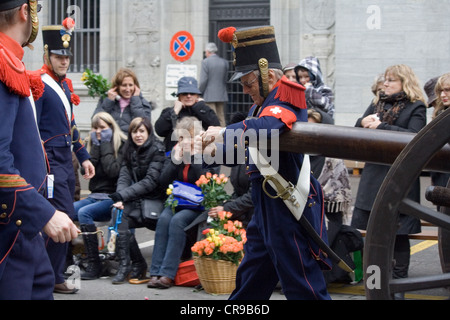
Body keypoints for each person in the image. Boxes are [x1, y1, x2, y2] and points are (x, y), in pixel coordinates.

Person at [201, 26, 331, 300]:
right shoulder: (258, 105)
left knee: (301, 280)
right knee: (252, 276)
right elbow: (250, 149)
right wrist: (211, 147)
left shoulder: (286, 95)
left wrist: (224, 131)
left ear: (268, 76)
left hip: (286, 202)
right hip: (265, 203)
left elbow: (269, 126)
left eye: (248, 83)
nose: (246, 90)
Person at [0, 0, 79, 300]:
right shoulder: (3, 63)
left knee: (42, 285)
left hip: (23, 223)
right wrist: (43, 213)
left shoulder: (12, 61)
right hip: (12, 224)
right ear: (25, 12)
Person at [30, 18, 95, 294]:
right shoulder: (39, 85)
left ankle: (50, 274)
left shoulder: (65, 86)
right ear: (47, 55)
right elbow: (30, 126)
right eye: (58, 56)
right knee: (58, 216)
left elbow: (70, 127)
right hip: (48, 162)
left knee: (65, 216)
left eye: (66, 57)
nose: (64, 61)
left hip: (65, 162)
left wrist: (84, 156)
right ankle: (49, 276)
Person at [351, 64, 427, 297]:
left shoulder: (417, 107)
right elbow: (359, 127)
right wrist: (362, 123)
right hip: (374, 175)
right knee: (372, 232)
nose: (385, 84)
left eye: (391, 80)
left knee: (399, 232)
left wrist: (381, 126)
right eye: (385, 80)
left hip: (400, 177)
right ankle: (375, 281)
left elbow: (416, 138)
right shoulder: (377, 103)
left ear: (405, 82)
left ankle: (400, 282)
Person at [148, 116, 217, 289]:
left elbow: (206, 181)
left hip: (199, 204)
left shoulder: (209, 153)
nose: (185, 142)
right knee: (164, 219)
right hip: (177, 200)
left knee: (177, 222)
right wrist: (175, 160)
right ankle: (155, 272)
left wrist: (193, 158)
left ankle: (167, 274)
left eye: (189, 137)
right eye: (181, 138)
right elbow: (163, 181)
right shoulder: (176, 153)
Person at [109, 117, 166, 284]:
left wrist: (123, 195)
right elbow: (124, 177)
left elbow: (150, 181)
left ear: (148, 132)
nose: (138, 135)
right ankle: (130, 264)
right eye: (134, 131)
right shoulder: (130, 149)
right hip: (140, 200)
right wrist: (120, 197)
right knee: (118, 214)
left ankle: (139, 265)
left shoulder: (158, 149)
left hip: (158, 201)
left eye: (142, 131)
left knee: (121, 214)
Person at [74, 112, 127, 280]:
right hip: (95, 195)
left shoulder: (121, 145)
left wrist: (105, 144)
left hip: (112, 197)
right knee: (65, 211)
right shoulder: (93, 144)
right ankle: (68, 258)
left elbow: (112, 171)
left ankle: (94, 264)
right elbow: (86, 172)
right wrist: (95, 147)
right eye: (95, 128)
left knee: (84, 213)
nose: (98, 132)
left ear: (111, 128)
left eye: (103, 128)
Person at [155, 76, 220, 152]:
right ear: (179, 96)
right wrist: (174, 112)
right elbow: (159, 131)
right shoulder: (169, 111)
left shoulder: (204, 110)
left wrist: (200, 107)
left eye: (192, 93)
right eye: (185, 93)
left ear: (197, 96)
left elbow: (215, 127)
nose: (188, 96)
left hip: (199, 156)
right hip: (174, 155)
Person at [93, 68, 152, 134]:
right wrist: (109, 101)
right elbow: (95, 121)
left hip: (130, 143)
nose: (127, 89)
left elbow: (145, 126)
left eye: (130, 85)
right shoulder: (106, 99)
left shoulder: (143, 103)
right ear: (117, 86)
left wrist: (135, 101)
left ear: (135, 86)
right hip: (111, 142)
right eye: (124, 85)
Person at [428, 73, 450, 190]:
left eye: (447, 90)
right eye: (440, 91)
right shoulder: (439, 115)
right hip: (440, 175)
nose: (442, 95)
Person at [199, 42, 229, 126]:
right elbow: (225, 79)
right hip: (221, 93)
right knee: (221, 117)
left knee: (212, 117)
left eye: (205, 52)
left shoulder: (205, 62)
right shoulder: (225, 62)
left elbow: (203, 80)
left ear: (208, 51)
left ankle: (215, 136)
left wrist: (199, 92)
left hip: (209, 94)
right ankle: (224, 136)